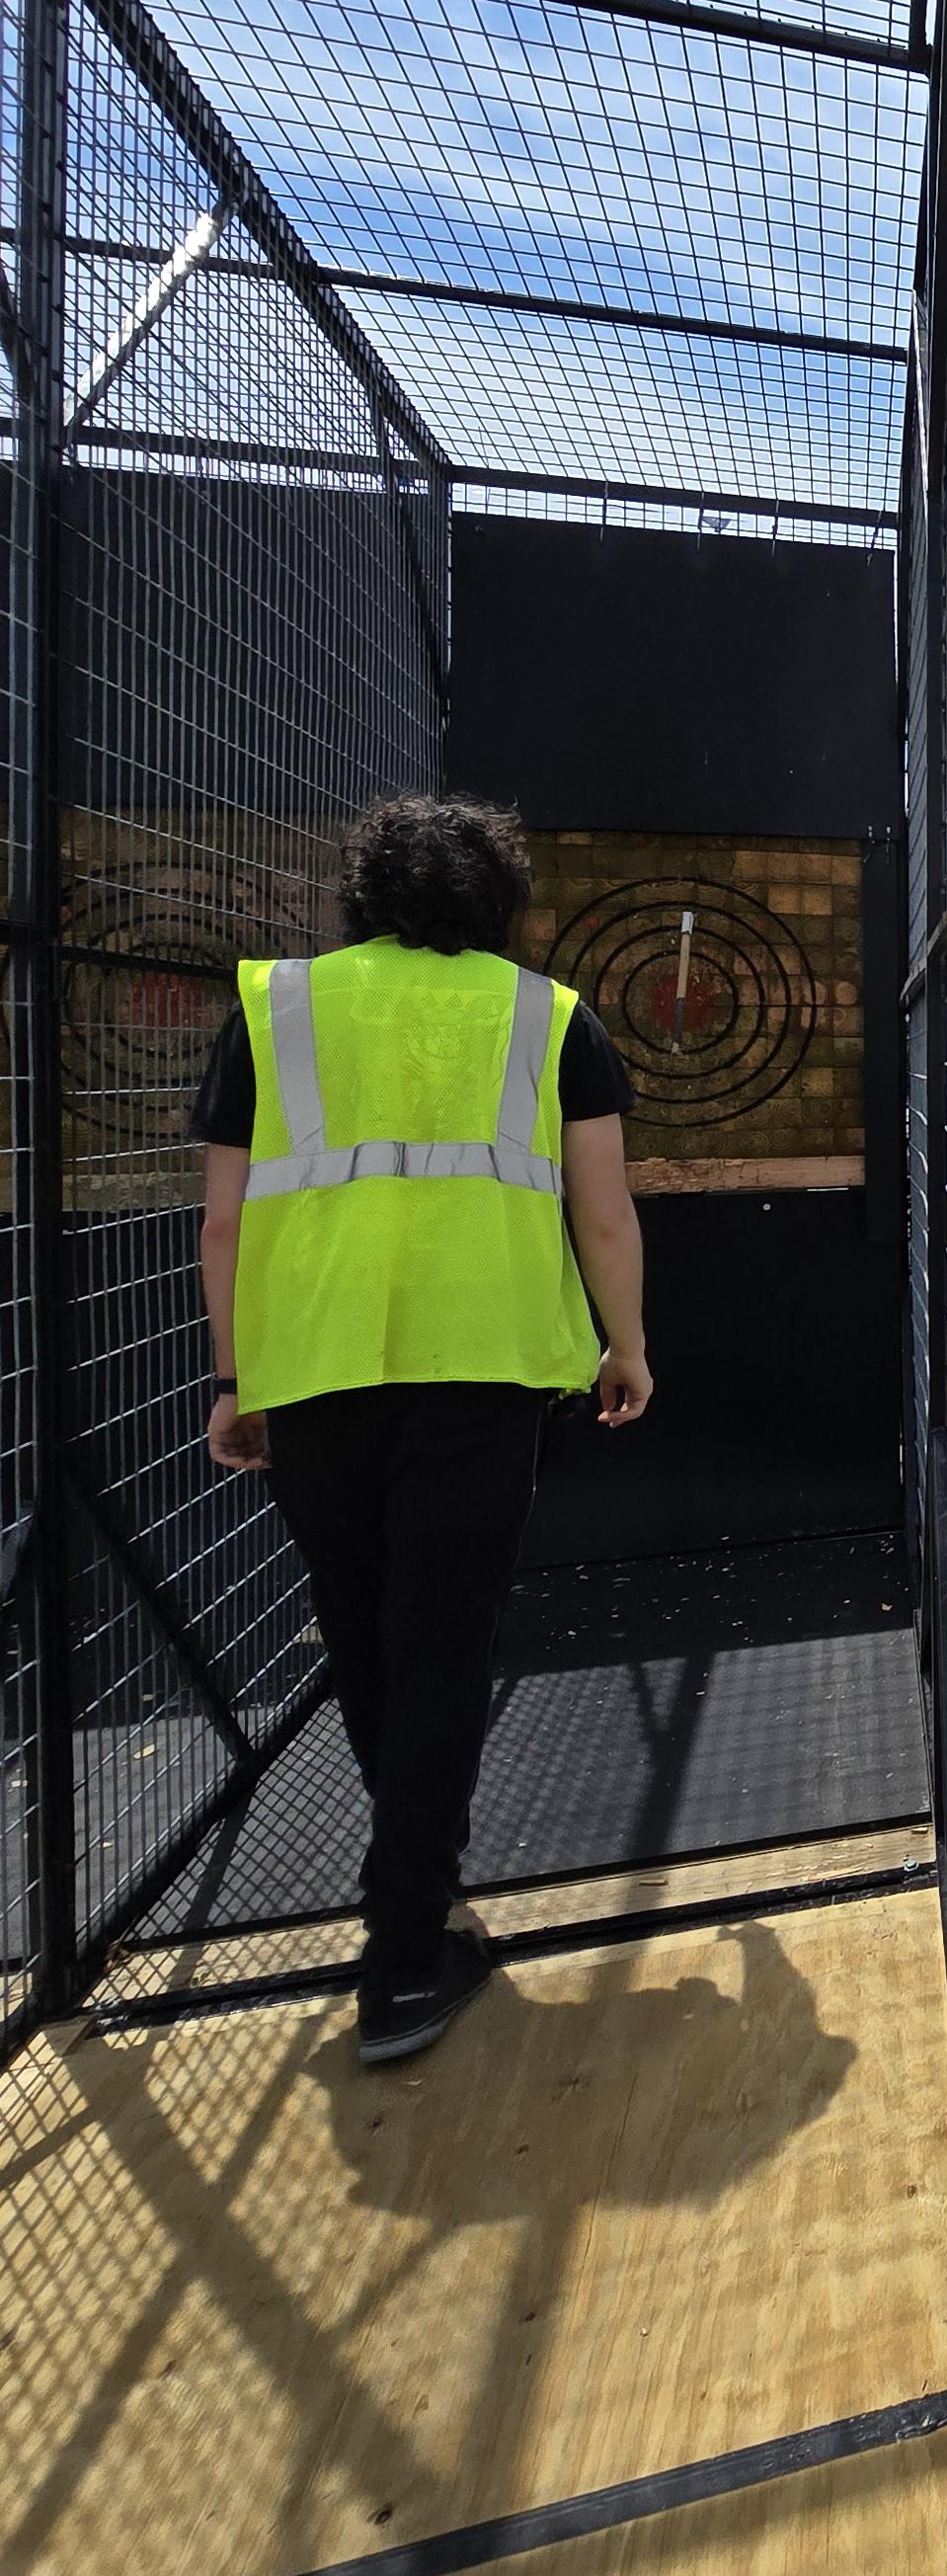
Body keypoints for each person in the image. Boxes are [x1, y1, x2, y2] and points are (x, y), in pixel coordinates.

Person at [193, 793, 653, 2064]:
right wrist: (627, 1345)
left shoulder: (277, 1012)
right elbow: (603, 1214)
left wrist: (234, 1379)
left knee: (367, 1635)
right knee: (444, 1643)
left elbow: (222, 1224)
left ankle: (416, 1883)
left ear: (367, 893)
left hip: (316, 1372)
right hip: (486, 1373)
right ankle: (401, 1960)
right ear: (499, 903)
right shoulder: (549, 1019)